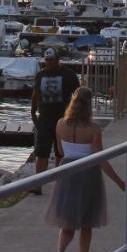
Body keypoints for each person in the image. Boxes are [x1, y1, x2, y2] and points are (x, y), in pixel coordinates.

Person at [44, 87, 125, 252]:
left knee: (68, 223)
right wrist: (119, 181)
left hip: (67, 172)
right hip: (88, 175)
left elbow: (61, 152)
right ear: (90, 105)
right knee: (87, 225)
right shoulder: (93, 129)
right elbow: (100, 159)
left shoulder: (60, 124)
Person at [30, 47, 79, 190]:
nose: (49, 62)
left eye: (51, 60)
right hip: (45, 119)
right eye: (47, 60)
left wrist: (76, 115)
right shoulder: (40, 75)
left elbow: (77, 95)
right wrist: (33, 112)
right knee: (42, 152)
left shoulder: (68, 74)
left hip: (63, 119)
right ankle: (38, 184)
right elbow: (35, 93)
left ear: (58, 60)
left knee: (60, 152)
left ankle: (60, 184)